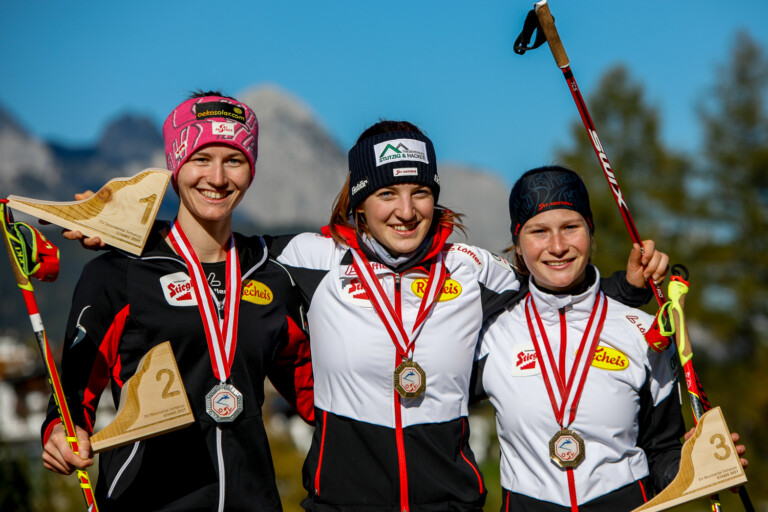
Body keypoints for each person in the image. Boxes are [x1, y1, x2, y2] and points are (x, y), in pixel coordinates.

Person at [269, 122, 667, 511]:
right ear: (359, 200)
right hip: (342, 502)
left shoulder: (473, 269)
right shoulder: (310, 259)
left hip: (450, 503)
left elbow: (554, 287)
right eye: (387, 192)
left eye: (420, 192)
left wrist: (625, 290)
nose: (405, 211)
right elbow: (233, 287)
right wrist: (308, 397)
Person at [41, 92, 313, 511]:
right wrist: (61, 432)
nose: (218, 178)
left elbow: (320, 399)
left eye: (234, 160)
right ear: (176, 164)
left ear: (252, 170)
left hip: (251, 499)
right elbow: (73, 396)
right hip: (146, 500)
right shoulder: (119, 273)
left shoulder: (272, 272)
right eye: (201, 158)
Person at [471, 165, 743, 511]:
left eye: (571, 227)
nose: (557, 246)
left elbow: (661, 449)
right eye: (539, 231)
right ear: (518, 246)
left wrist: (698, 470)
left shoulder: (643, 331)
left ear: (590, 232)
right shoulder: (493, 331)